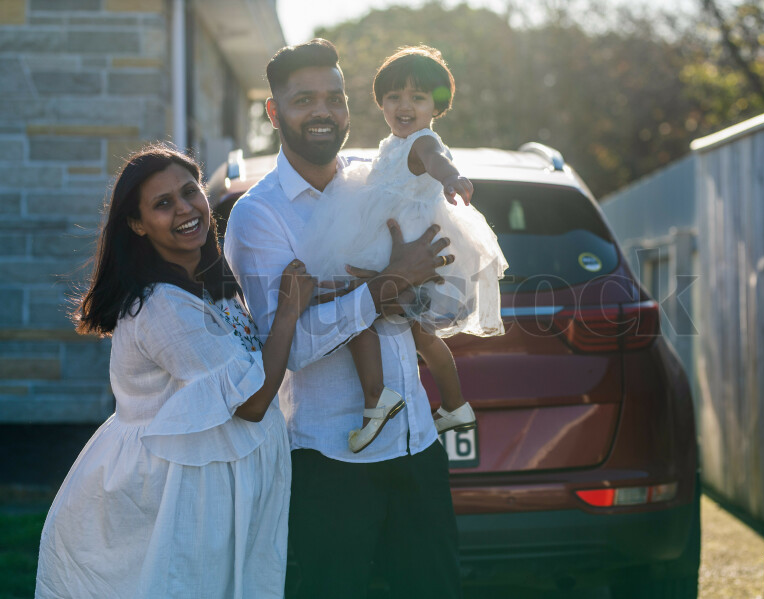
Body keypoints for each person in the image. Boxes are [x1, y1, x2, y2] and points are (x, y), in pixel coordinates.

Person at [223, 39, 462, 598]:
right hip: (330, 460)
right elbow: (288, 349)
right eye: (304, 100)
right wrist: (387, 286)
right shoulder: (259, 216)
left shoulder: (378, 179)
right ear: (274, 112)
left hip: (417, 444)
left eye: (334, 97)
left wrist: (413, 293)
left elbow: (448, 301)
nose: (324, 111)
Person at [35, 145, 316, 599]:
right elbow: (250, 403)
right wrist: (288, 311)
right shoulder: (160, 305)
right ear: (137, 224)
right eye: (163, 203)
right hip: (169, 496)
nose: (185, 209)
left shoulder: (212, 285)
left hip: (213, 482)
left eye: (189, 192)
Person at [297, 45, 507, 453]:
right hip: (401, 244)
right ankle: (455, 404)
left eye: (418, 97)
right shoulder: (394, 143)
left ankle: (376, 398)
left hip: (402, 246)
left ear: (436, 106)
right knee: (421, 335)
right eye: (393, 96)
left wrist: (451, 177)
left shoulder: (422, 142)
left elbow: (436, 159)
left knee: (355, 306)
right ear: (380, 103)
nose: (404, 106)